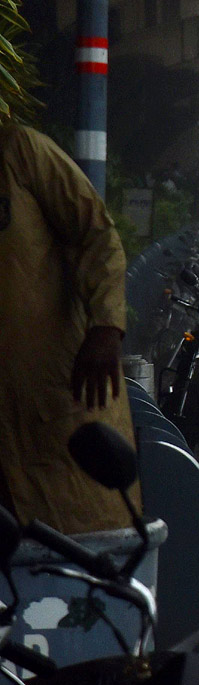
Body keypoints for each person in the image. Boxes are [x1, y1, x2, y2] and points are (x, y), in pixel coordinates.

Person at [0, 122, 139, 534]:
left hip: (61, 410)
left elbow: (96, 235)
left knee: (90, 567)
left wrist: (106, 328)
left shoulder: (20, 153)